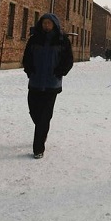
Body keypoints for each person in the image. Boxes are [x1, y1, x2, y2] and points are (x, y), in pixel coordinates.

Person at [22, 13, 73, 159]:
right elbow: (27, 57)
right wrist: (29, 70)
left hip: (52, 83)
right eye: (44, 23)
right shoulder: (34, 39)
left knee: (45, 115)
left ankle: (38, 148)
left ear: (54, 25)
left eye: (49, 23)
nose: (46, 25)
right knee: (34, 111)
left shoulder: (62, 40)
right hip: (35, 81)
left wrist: (60, 72)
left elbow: (68, 59)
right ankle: (41, 129)